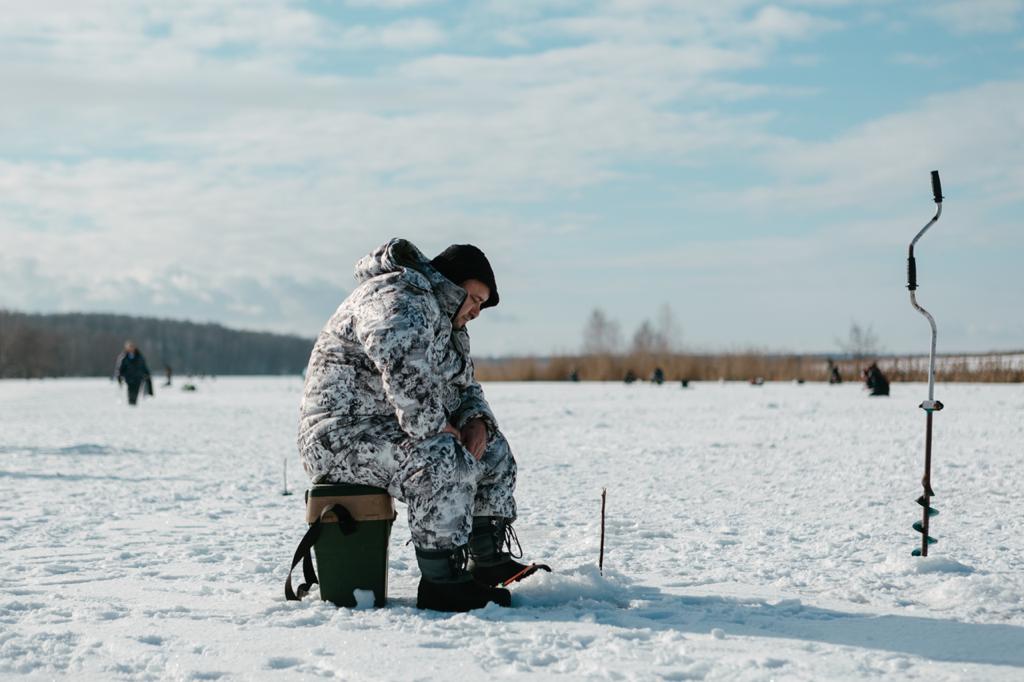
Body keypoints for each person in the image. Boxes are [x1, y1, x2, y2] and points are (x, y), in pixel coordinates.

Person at [298, 238, 548, 612]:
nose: (477, 311)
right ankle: (443, 583)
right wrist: (434, 425)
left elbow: (465, 386)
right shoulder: (397, 295)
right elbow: (401, 364)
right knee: (440, 458)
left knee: (492, 453)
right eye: (475, 299)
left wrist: (476, 421)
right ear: (451, 285)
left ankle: (487, 561)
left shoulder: (446, 323)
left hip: (387, 428)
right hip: (339, 435)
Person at [114, 341, 152, 406]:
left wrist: (147, 374)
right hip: (129, 377)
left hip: (138, 377)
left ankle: (133, 403)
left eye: (132, 347)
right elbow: (120, 368)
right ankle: (131, 403)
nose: (131, 349)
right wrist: (119, 376)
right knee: (130, 390)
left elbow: (144, 366)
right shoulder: (124, 357)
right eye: (129, 347)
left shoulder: (139, 356)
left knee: (136, 390)